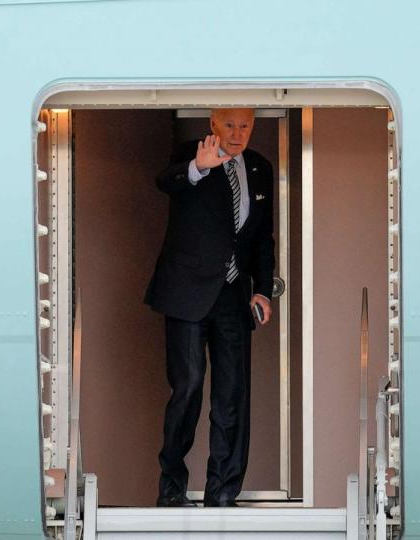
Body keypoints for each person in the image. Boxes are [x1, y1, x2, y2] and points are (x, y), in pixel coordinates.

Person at [145, 108, 275, 508]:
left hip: (234, 295)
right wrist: (198, 168)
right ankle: (171, 489)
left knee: (232, 394)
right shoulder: (191, 153)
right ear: (214, 125)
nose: (237, 134)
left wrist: (263, 290)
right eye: (230, 125)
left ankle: (223, 492)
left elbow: (262, 237)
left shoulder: (258, 167)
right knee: (188, 387)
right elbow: (165, 182)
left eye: (245, 126)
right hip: (187, 293)